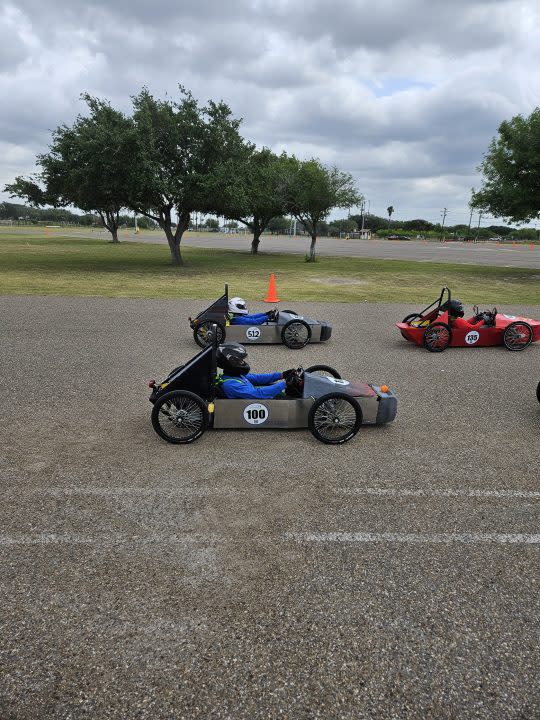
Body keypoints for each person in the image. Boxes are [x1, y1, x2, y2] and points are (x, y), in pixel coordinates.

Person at [215, 342, 301, 399]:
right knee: (294, 396)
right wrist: (285, 384)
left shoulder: (233, 374)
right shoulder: (231, 384)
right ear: (231, 363)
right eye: (240, 361)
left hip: (255, 394)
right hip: (257, 400)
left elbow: (256, 378)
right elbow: (258, 394)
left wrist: (281, 375)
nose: (243, 363)